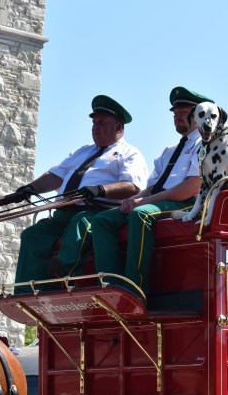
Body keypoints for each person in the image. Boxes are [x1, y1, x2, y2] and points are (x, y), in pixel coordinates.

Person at [14, 95, 149, 287]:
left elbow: (132, 186)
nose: (96, 126)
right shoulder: (81, 151)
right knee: (32, 234)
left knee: (81, 224)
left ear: (118, 127)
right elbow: (56, 176)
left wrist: (100, 190)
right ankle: (26, 289)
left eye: (102, 122)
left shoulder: (130, 154)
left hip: (96, 212)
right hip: (63, 213)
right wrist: (30, 188)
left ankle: (64, 277)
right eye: (94, 122)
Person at [89, 86, 213, 295]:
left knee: (140, 215)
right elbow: (153, 186)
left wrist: (142, 203)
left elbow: (192, 186)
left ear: (199, 115)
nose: (176, 118)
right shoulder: (169, 151)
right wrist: (134, 199)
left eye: (182, 114)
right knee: (102, 220)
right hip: (163, 199)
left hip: (190, 203)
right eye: (175, 114)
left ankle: (134, 289)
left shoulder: (206, 145)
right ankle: (110, 285)